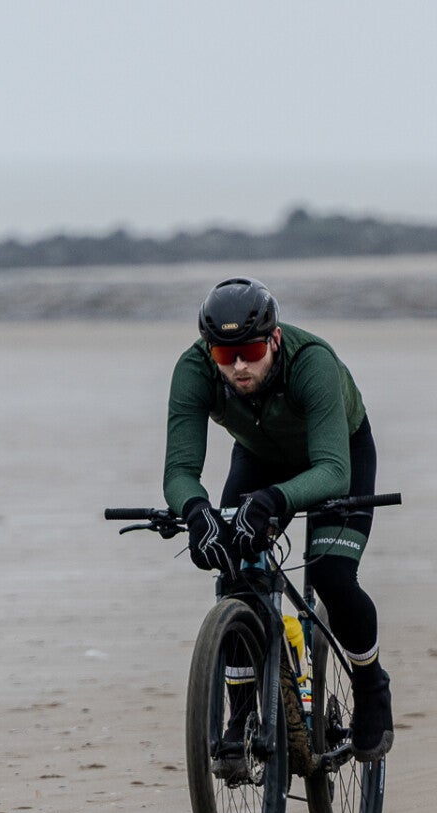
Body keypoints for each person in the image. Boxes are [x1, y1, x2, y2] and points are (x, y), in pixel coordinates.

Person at [163, 277, 393, 761]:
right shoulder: (193, 370)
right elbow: (180, 472)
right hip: (260, 456)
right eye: (225, 356)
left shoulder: (312, 362)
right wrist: (196, 511)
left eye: (249, 352)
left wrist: (275, 499)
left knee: (332, 576)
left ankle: (371, 683)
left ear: (274, 339)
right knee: (235, 571)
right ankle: (243, 715)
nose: (238, 367)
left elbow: (333, 471)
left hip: (338, 454)